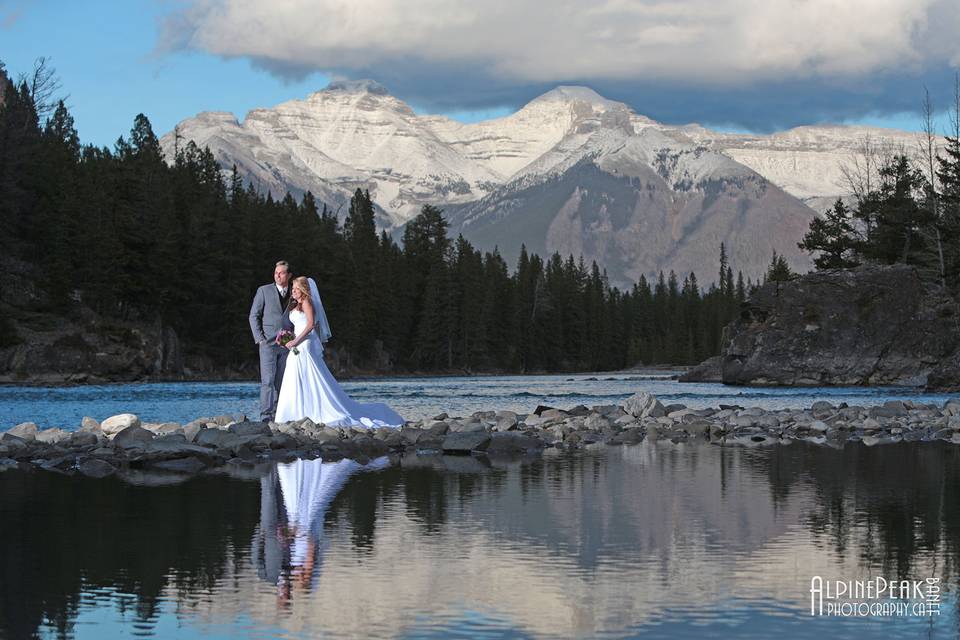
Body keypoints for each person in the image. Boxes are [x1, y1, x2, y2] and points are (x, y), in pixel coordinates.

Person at [274, 276, 405, 427]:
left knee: (307, 373)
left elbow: (310, 325)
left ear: (304, 290)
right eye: (293, 288)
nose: (294, 291)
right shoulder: (296, 305)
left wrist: (296, 341)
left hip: (304, 344)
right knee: (296, 373)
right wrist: (288, 339)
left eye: (297, 288)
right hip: (297, 343)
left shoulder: (307, 302)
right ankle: (294, 412)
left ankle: (312, 411)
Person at [249, 261, 294, 421]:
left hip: (287, 344)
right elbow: (253, 315)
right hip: (267, 343)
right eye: (276, 273)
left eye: (281, 273)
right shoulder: (263, 290)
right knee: (267, 381)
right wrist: (259, 339)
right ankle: (265, 416)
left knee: (281, 381)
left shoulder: (294, 292)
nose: (277, 275)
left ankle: (278, 414)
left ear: (288, 275)